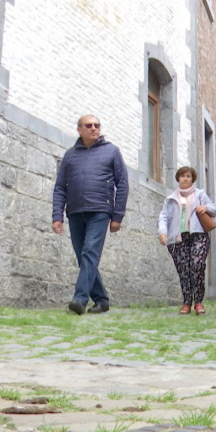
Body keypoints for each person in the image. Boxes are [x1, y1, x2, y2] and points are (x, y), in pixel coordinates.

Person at [52, 115, 129, 315]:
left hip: (100, 211)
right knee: (84, 257)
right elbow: (60, 187)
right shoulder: (70, 155)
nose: (94, 128)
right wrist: (57, 216)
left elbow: (122, 184)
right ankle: (102, 300)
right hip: (75, 212)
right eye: (89, 125)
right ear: (79, 129)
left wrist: (117, 216)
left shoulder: (111, 151)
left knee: (89, 253)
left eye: (97, 125)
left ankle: (79, 300)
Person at [157, 166, 216, 315]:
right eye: (182, 176)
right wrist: (162, 232)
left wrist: (205, 207)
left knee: (197, 265)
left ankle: (198, 302)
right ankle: (186, 302)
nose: (185, 178)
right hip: (178, 238)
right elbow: (163, 217)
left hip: (198, 235)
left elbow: (214, 209)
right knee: (184, 270)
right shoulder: (171, 198)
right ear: (178, 178)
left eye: (188, 176)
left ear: (192, 179)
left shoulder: (200, 194)